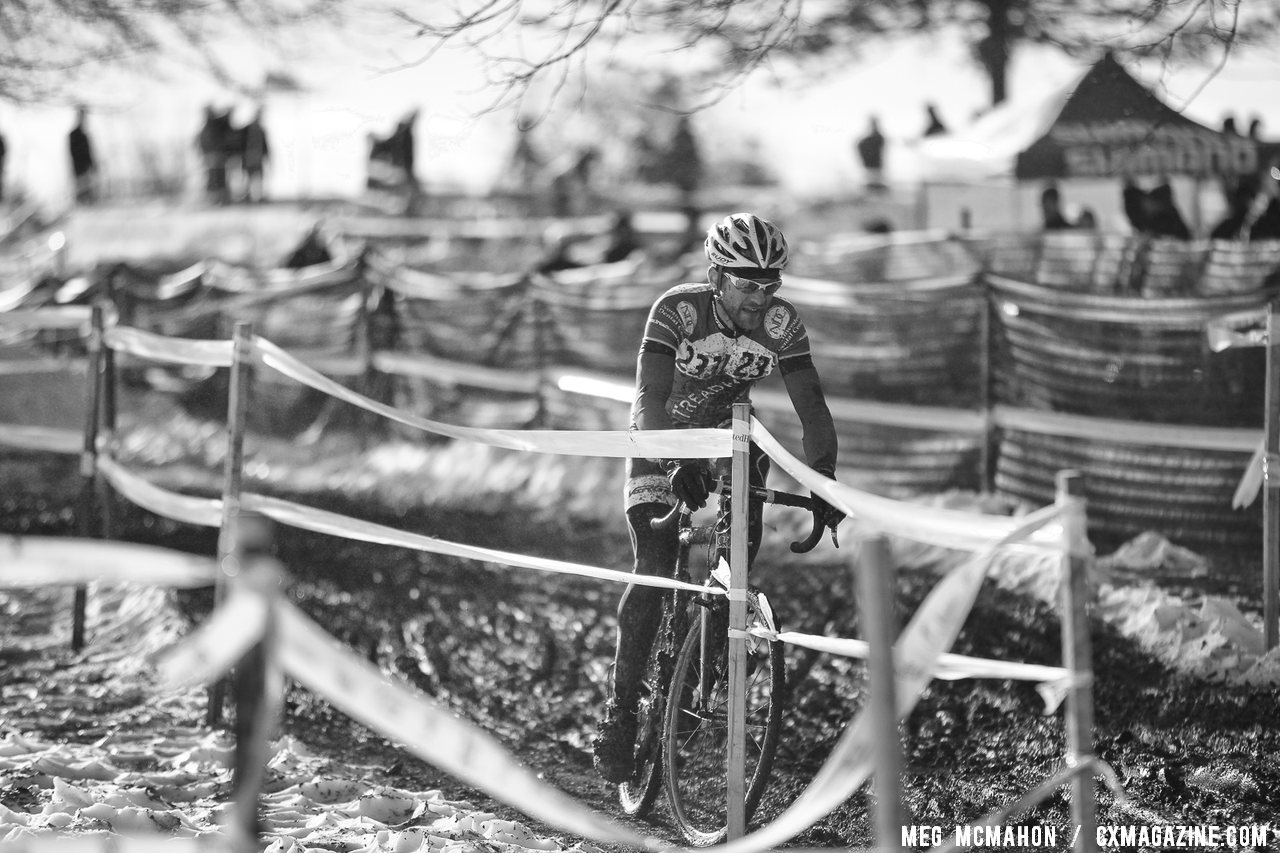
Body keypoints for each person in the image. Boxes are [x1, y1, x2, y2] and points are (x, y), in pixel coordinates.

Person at [592, 212, 844, 784]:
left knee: (737, 568)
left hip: (733, 440)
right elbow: (648, 401)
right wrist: (676, 458)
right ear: (716, 274)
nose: (760, 297)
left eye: (770, 284)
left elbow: (813, 409)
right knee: (654, 565)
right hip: (662, 439)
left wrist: (823, 479)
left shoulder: (781, 324)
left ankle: (702, 673)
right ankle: (622, 710)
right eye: (747, 284)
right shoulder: (678, 310)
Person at [239, 107, 271, 204]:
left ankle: (258, 195)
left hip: (256, 157)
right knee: (250, 176)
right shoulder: (247, 129)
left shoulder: (260, 130)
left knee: (258, 177)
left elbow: (265, 145)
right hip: (249, 157)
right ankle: (248, 195)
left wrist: (266, 155)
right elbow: (241, 143)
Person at [69, 106, 98, 204]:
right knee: (81, 187)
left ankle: (88, 202)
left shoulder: (85, 135)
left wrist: (92, 164)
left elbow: (89, 152)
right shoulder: (74, 135)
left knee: (88, 186)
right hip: (79, 167)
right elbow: (73, 152)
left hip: (86, 167)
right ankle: (81, 203)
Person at [856, 116, 886, 190]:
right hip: (871, 168)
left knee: (875, 185)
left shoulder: (878, 138)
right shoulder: (868, 140)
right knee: (872, 185)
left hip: (876, 168)